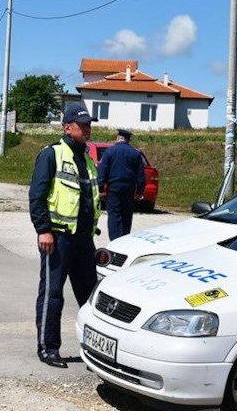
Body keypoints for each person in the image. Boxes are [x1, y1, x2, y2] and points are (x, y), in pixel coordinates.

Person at [28, 104, 101, 368]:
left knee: (90, 298)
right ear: (67, 128)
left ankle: (95, 350)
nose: (87, 129)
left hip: (83, 240)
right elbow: (37, 195)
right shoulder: (52, 155)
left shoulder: (88, 160)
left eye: (89, 125)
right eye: (82, 125)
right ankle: (48, 348)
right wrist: (43, 230)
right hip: (58, 239)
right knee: (53, 294)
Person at [97, 128, 145, 241]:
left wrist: (100, 188)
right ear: (128, 140)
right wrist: (140, 191)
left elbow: (102, 171)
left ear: (118, 138)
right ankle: (124, 239)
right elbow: (140, 175)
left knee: (114, 214)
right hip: (129, 188)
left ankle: (115, 239)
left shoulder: (109, 152)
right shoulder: (136, 154)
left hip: (114, 187)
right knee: (126, 214)